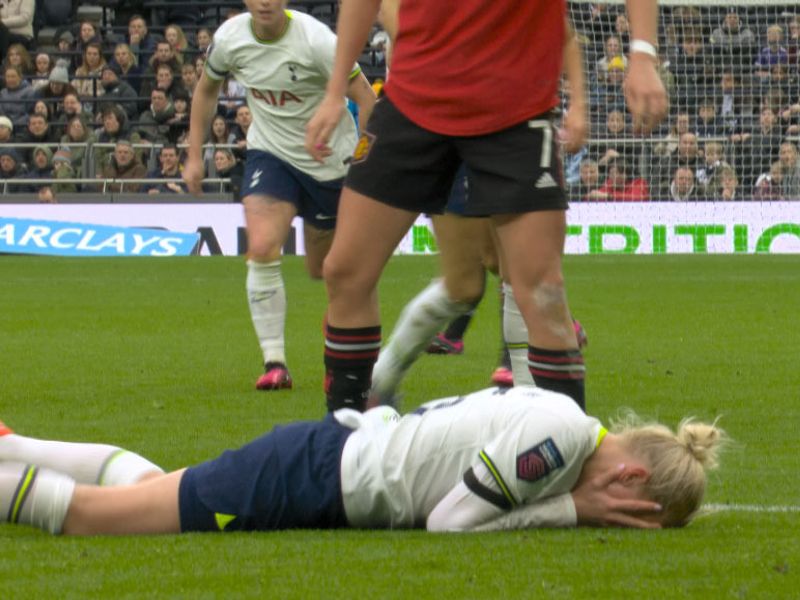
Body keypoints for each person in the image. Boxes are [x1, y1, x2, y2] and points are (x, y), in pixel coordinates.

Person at [305, 0, 667, 412]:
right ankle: (346, 443)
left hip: (515, 111)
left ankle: (562, 451)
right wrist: (335, 91)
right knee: (346, 271)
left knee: (541, 290)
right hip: (414, 102)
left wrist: (642, 52)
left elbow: (565, 34)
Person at [0, 385, 726, 535]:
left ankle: (12, 446)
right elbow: (449, 523)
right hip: (311, 477)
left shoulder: (563, 412)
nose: (611, 522)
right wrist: (572, 509)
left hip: (327, 457)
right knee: (96, 521)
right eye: (626, 514)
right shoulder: (562, 444)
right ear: (629, 477)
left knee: (155, 489)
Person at [183, 0, 376, 392]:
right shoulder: (229, 40)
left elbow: (368, 98)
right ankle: (275, 362)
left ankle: (337, 341)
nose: (266, 1)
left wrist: (363, 159)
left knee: (324, 271)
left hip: (330, 165)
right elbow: (206, 91)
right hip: (270, 154)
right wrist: (193, 156)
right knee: (263, 245)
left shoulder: (316, 39)